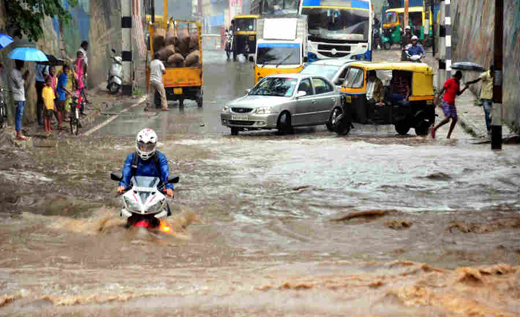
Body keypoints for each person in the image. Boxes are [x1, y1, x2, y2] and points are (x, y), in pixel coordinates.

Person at [117, 128, 174, 198]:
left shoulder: (160, 158)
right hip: (134, 193)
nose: (145, 149)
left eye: (148, 147)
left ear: (154, 146)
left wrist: (169, 187)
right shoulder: (131, 157)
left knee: (165, 208)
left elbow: (165, 173)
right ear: (137, 144)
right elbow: (126, 174)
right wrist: (122, 185)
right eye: (142, 146)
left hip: (157, 193)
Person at [431, 70, 472, 139]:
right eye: (458, 77)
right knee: (447, 119)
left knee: (455, 119)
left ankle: (448, 136)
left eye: (460, 78)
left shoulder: (458, 83)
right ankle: (435, 129)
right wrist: (437, 98)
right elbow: (442, 89)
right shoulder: (450, 81)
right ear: (456, 76)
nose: (459, 79)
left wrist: (465, 88)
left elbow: (458, 93)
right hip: (446, 102)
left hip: (452, 103)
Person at [466, 65, 495, 135]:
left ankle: (492, 128)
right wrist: (470, 82)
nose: (493, 74)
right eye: (493, 72)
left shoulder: (496, 76)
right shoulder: (485, 75)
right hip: (485, 97)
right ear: (490, 71)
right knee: (488, 113)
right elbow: (477, 79)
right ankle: (489, 129)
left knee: (492, 114)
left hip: (492, 98)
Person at [10, 59, 29, 140]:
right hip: (18, 97)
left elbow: (22, 83)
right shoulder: (14, 72)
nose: (23, 64)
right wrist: (24, 77)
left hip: (21, 96)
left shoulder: (19, 72)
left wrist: (24, 76)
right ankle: (18, 134)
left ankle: (19, 132)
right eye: (22, 62)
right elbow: (19, 85)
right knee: (18, 115)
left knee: (20, 115)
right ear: (18, 63)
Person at [56, 65, 73, 129]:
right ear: (64, 69)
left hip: (62, 95)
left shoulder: (65, 76)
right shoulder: (63, 76)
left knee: (62, 110)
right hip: (60, 95)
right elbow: (62, 86)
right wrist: (69, 93)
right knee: (59, 110)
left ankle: (60, 124)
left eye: (68, 69)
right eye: (66, 69)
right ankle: (59, 124)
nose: (67, 70)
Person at [74, 50, 87, 115]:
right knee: (80, 97)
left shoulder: (76, 62)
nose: (80, 56)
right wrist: (84, 75)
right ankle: (80, 110)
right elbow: (85, 68)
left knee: (78, 97)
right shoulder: (82, 61)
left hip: (78, 81)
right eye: (80, 55)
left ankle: (79, 109)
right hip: (79, 82)